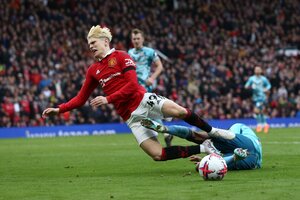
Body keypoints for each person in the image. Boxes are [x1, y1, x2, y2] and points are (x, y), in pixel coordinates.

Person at [42, 25, 234, 162]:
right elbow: (80, 98)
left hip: (143, 100)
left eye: (93, 42)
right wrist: (58, 110)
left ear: (105, 41)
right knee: (158, 155)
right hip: (131, 117)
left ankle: (213, 132)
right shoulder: (93, 70)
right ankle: (204, 147)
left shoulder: (122, 57)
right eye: (89, 43)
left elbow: (133, 86)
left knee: (181, 112)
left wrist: (108, 99)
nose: (91, 46)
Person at [141, 118, 262, 170]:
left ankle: (166, 129)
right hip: (253, 160)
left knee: (199, 136)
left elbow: (232, 133)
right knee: (211, 156)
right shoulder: (241, 130)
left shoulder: (237, 127)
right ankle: (209, 156)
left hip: (247, 149)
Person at [128, 28, 173, 147]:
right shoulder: (129, 53)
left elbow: (159, 66)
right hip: (133, 86)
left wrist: (152, 78)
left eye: (138, 38)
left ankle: (163, 127)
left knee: (145, 109)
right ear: (131, 40)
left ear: (142, 39)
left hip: (144, 86)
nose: (136, 41)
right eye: (134, 39)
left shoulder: (150, 51)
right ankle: (165, 129)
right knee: (147, 110)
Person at [245, 66, 271, 133]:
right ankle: (265, 125)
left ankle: (259, 125)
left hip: (262, 97)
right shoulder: (252, 78)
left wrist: (266, 89)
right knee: (261, 111)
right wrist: (249, 86)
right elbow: (246, 85)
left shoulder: (263, 79)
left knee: (256, 111)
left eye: (258, 69)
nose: (257, 70)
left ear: (261, 71)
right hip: (255, 97)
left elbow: (269, 85)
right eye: (256, 69)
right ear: (254, 71)